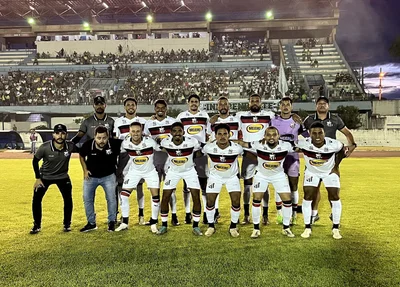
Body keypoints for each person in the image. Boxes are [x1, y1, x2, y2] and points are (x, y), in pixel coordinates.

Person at [303, 96, 356, 223]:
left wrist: (352, 146)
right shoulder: (309, 119)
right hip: (313, 158)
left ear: (328, 106)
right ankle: (314, 214)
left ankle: (334, 213)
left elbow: (347, 133)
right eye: (319, 103)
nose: (322, 105)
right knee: (313, 188)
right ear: (316, 106)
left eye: (324, 104)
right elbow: (300, 132)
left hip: (331, 159)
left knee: (332, 188)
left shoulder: (335, 119)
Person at [236, 127, 296, 238]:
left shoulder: (286, 145)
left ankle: (286, 228)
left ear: (278, 136)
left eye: (274, 135)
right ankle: (256, 229)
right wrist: (225, 140)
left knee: (287, 200)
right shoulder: (258, 144)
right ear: (265, 136)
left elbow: (301, 147)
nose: (271, 137)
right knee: (256, 200)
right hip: (262, 175)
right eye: (268, 135)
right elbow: (242, 143)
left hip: (279, 176)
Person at [297, 122, 346, 239]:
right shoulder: (303, 143)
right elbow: (286, 143)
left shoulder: (334, 144)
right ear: (309, 134)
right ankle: (307, 227)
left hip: (329, 172)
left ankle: (335, 228)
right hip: (312, 172)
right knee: (307, 196)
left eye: (320, 133)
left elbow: (342, 150)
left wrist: (336, 166)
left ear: (324, 133)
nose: (317, 136)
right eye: (314, 133)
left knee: (334, 196)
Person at [157, 122, 203, 236]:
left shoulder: (192, 141)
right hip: (173, 171)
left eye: (179, 131)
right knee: (165, 196)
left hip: (189, 171)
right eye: (175, 131)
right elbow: (160, 145)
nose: (177, 133)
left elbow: (200, 150)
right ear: (171, 133)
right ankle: (163, 225)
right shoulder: (166, 142)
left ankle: (196, 226)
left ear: (183, 132)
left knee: (196, 196)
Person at [30, 124, 77, 234]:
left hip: (63, 176)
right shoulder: (45, 147)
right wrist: (38, 178)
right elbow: (35, 161)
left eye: (63, 133)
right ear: (53, 134)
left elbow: (84, 150)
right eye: (57, 133)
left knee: (68, 199)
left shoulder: (70, 146)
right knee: (36, 199)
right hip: (45, 177)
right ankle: (37, 225)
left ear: (66, 134)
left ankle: (67, 224)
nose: (60, 136)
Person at [236, 94, 274, 225]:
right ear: (249, 103)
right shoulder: (241, 116)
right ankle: (246, 215)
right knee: (247, 186)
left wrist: (294, 116)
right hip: (248, 155)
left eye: (257, 101)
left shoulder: (269, 115)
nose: (255, 103)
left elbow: (281, 120)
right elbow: (226, 120)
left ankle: (265, 215)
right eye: (252, 101)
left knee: (265, 186)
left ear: (261, 103)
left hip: (264, 155)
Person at [115, 122, 160, 234]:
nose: (135, 133)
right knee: (124, 195)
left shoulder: (150, 142)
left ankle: (154, 223)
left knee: (155, 196)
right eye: (133, 131)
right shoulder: (125, 143)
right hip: (134, 172)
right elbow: (121, 155)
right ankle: (125, 222)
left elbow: (162, 149)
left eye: (138, 131)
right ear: (130, 132)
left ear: (142, 132)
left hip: (150, 172)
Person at [202, 124, 243, 237]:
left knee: (235, 202)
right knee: (210, 202)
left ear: (229, 135)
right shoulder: (208, 147)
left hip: (232, 177)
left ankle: (233, 227)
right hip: (215, 177)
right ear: (215, 135)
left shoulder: (237, 148)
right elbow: (198, 154)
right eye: (219, 134)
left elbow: (248, 155)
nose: (222, 136)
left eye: (225, 133)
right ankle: (211, 226)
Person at [79, 126, 122, 232]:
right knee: (87, 199)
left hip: (109, 176)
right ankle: (91, 223)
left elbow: (129, 143)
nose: (101, 141)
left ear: (108, 137)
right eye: (99, 138)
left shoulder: (115, 144)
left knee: (111, 199)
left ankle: (112, 221)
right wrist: (85, 170)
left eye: (104, 138)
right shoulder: (88, 145)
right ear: (94, 137)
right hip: (91, 177)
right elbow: (81, 156)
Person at [144, 99, 179, 225]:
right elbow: (146, 138)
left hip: (169, 158)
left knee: (171, 190)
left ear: (166, 109)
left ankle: (174, 216)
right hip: (154, 159)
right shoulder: (149, 123)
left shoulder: (172, 122)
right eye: (157, 108)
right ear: (155, 109)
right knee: (155, 189)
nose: (160, 110)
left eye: (162, 108)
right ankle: (155, 217)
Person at [176, 94, 210, 224]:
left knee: (203, 185)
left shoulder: (204, 116)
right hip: (187, 154)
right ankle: (187, 213)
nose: (194, 104)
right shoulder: (181, 116)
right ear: (188, 103)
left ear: (199, 103)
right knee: (186, 186)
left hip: (201, 155)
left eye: (196, 101)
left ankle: (206, 213)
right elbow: (175, 132)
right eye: (192, 102)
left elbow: (209, 134)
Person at [271, 97, 305, 225]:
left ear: (291, 107)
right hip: (278, 158)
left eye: (288, 105)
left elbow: (307, 136)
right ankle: (280, 214)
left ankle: (294, 214)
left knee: (293, 186)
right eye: (283, 104)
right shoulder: (273, 120)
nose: (285, 107)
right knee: (278, 185)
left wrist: (301, 146)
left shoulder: (297, 121)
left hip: (292, 157)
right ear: (280, 107)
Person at [113, 97, 147, 225]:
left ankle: (141, 215)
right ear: (125, 107)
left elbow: (147, 137)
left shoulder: (143, 121)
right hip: (124, 156)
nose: (131, 107)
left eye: (133, 104)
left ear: (136, 107)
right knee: (121, 187)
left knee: (139, 186)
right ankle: (123, 214)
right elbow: (116, 139)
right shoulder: (119, 122)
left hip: (138, 156)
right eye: (128, 105)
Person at [208, 96, 241, 222]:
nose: (223, 106)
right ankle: (214, 213)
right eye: (220, 104)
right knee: (213, 189)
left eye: (225, 104)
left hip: (232, 158)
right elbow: (208, 137)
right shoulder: (211, 121)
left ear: (229, 106)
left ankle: (237, 218)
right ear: (217, 107)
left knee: (235, 190)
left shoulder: (237, 119)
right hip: (216, 157)